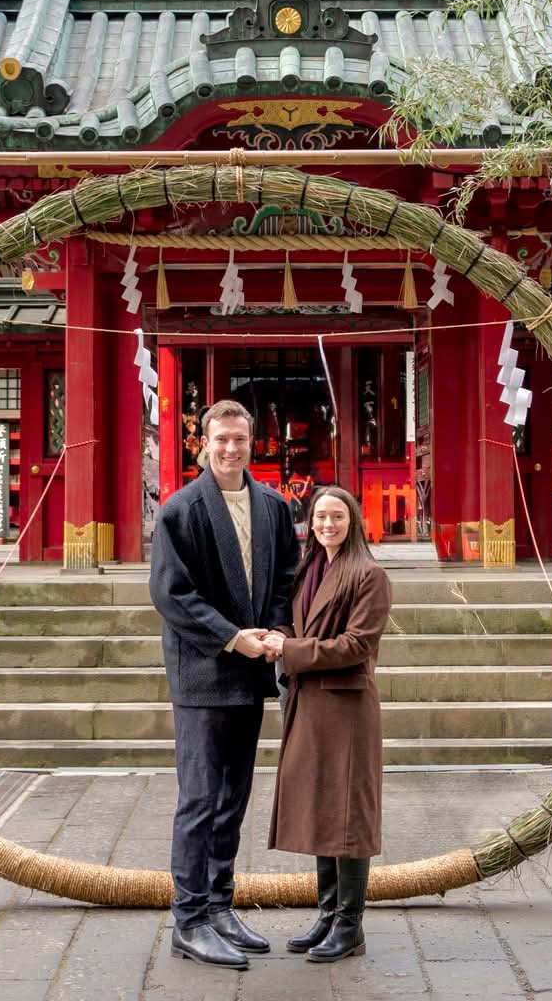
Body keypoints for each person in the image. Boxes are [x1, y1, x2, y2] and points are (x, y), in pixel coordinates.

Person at [150, 399, 299, 970]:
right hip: (204, 669)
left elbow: (287, 576)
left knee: (234, 796)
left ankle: (218, 903)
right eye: (221, 440)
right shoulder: (181, 510)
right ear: (203, 444)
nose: (231, 449)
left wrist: (279, 631)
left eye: (240, 439)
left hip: (253, 667)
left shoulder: (272, 505)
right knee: (199, 798)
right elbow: (171, 594)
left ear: (252, 442)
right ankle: (188, 918)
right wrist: (233, 636)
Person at [263, 485, 392, 963]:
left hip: (347, 707)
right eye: (320, 516)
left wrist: (290, 651)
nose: (327, 524)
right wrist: (279, 635)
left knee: (350, 814)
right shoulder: (310, 569)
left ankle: (350, 924)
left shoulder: (369, 574)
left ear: (352, 521)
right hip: (309, 702)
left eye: (337, 516)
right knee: (322, 805)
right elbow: (303, 629)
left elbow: (358, 644)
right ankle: (326, 913)